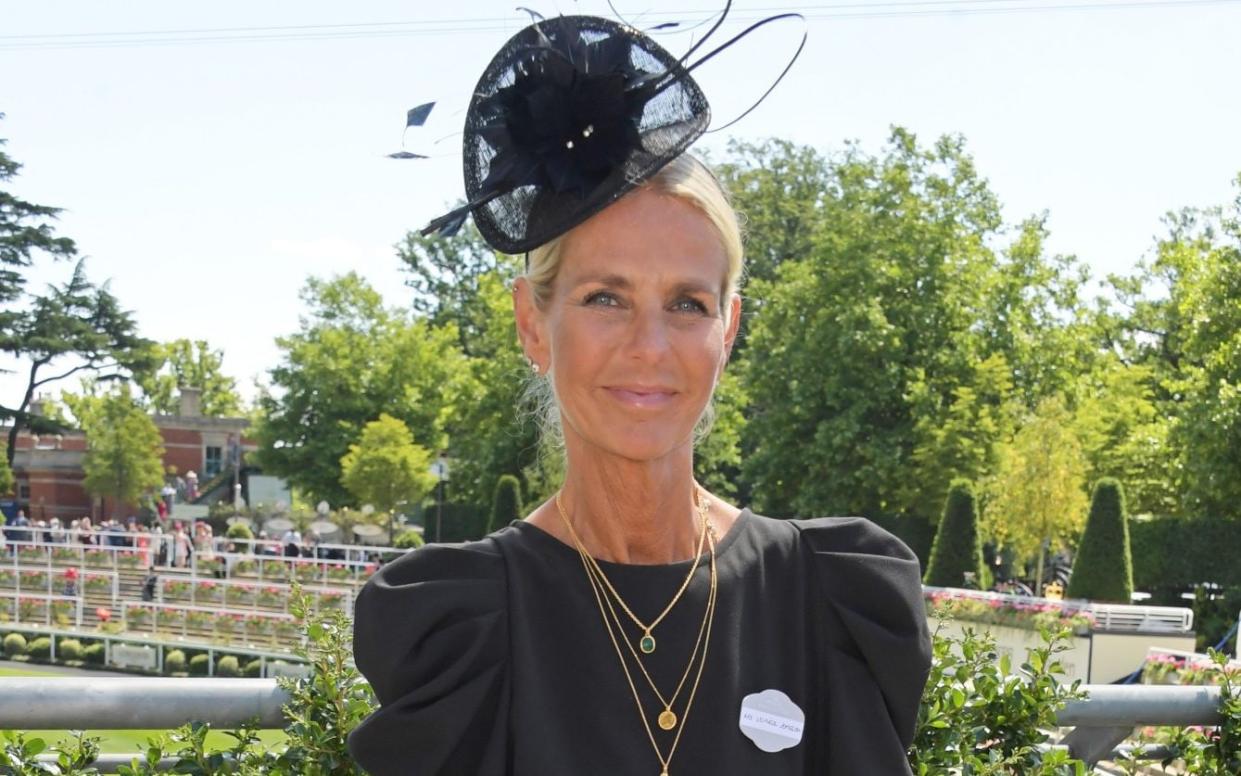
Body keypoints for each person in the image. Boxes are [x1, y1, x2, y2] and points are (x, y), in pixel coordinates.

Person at [347, 11, 931, 776]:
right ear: (532, 323)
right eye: (605, 297)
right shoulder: (467, 627)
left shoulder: (828, 601)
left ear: (727, 331)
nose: (648, 348)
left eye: (687, 304)